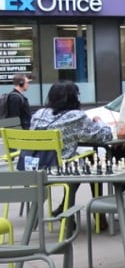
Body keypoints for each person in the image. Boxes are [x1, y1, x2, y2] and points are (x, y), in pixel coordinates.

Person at [29, 80, 112, 212]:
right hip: (60, 168)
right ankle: (98, 214)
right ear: (74, 98)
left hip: (34, 166)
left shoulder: (38, 114)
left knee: (80, 161)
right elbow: (104, 136)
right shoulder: (75, 116)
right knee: (91, 162)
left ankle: (64, 208)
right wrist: (99, 121)